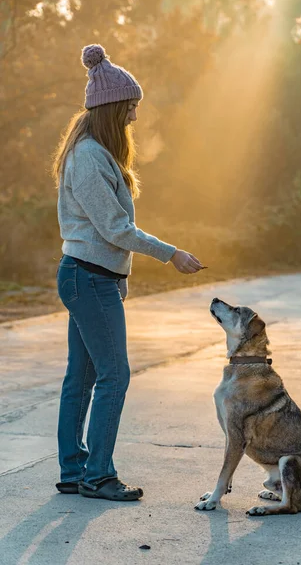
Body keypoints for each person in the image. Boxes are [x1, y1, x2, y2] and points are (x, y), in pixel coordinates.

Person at [52, 44, 205, 501]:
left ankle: (74, 471)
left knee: (81, 378)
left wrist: (121, 276)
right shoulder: (87, 158)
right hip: (87, 279)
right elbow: (116, 229)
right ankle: (97, 474)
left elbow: (108, 234)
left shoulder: (95, 152)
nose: (135, 117)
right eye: (131, 107)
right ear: (111, 108)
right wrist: (171, 253)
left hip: (90, 277)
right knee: (114, 375)